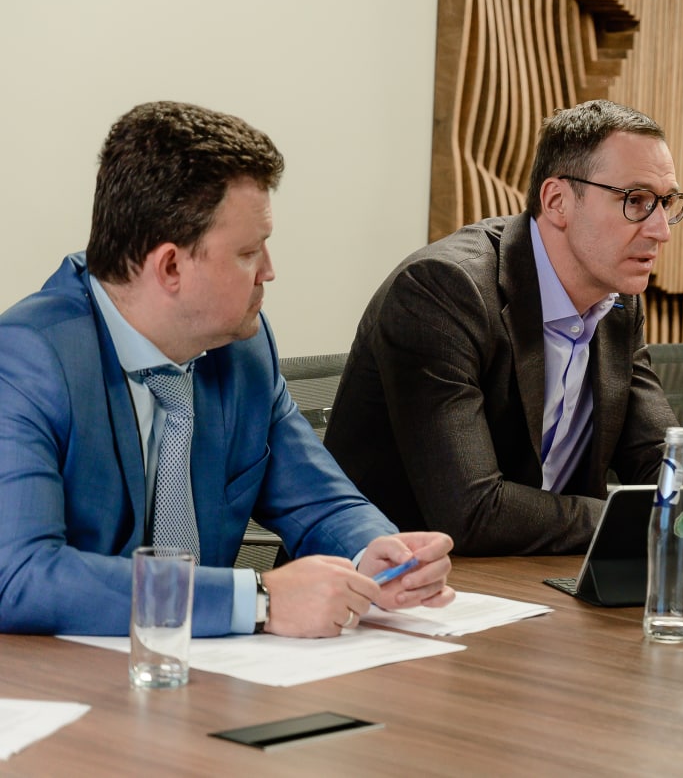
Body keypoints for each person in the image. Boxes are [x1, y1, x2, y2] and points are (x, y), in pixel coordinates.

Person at [0, 101, 454, 638]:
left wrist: (376, 553)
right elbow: (19, 576)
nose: (269, 271)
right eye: (249, 252)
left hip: (210, 673)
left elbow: (321, 501)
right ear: (171, 265)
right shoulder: (26, 362)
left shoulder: (242, 347)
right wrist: (258, 599)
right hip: (62, 677)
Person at [324, 99, 683, 556]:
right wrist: (648, 518)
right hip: (400, 586)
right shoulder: (443, 291)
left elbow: (653, 457)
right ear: (557, 202)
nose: (660, 230)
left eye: (667, 203)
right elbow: (473, 510)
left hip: (540, 574)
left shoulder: (617, 303)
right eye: (636, 200)